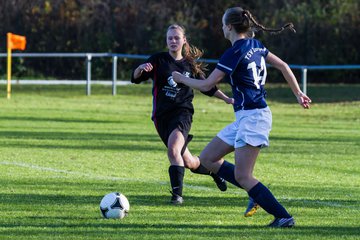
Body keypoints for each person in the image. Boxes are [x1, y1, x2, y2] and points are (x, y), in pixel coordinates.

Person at [172, 7, 311, 227]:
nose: (221, 27)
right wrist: (298, 93)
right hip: (247, 118)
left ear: (229, 27)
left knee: (245, 176)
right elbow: (283, 66)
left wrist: (181, 78)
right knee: (208, 158)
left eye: (222, 24)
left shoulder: (234, 52)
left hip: (254, 118)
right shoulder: (256, 45)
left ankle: (283, 216)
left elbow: (208, 84)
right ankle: (254, 193)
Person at [131, 24, 234, 205]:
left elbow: (207, 87)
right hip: (161, 117)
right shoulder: (157, 60)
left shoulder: (189, 65)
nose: (173, 41)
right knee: (189, 162)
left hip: (182, 113)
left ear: (184, 40)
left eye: (176, 38)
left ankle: (177, 196)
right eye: (170, 38)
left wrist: (226, 99)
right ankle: (213, 170)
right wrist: (140, 68)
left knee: (173, 149)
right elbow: (135, 79)